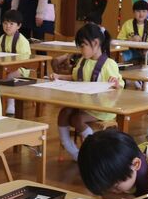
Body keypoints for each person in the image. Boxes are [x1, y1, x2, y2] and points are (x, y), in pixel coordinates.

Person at [51, 24, 124, 161]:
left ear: (96, 43)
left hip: (102, 107)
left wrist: (115, 83)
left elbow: (119, 86)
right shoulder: (83, 62)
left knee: (77, 118)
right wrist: (59, 77)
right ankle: (71, 148)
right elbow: (75, 77)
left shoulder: (109, 64)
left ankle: (93, 148)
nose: (80, 49)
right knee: (64, 112)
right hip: (84, 104)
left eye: (83, 45)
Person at [0, 9, 31, 113]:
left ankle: (11, 104)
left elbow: (24, 61)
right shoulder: (2, 38)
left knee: (9, 77)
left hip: (21, 69)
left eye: (11, 23)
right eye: (5, 23)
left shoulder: (22, 41)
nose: (8, 26)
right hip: (6, 67)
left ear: (18, 26)